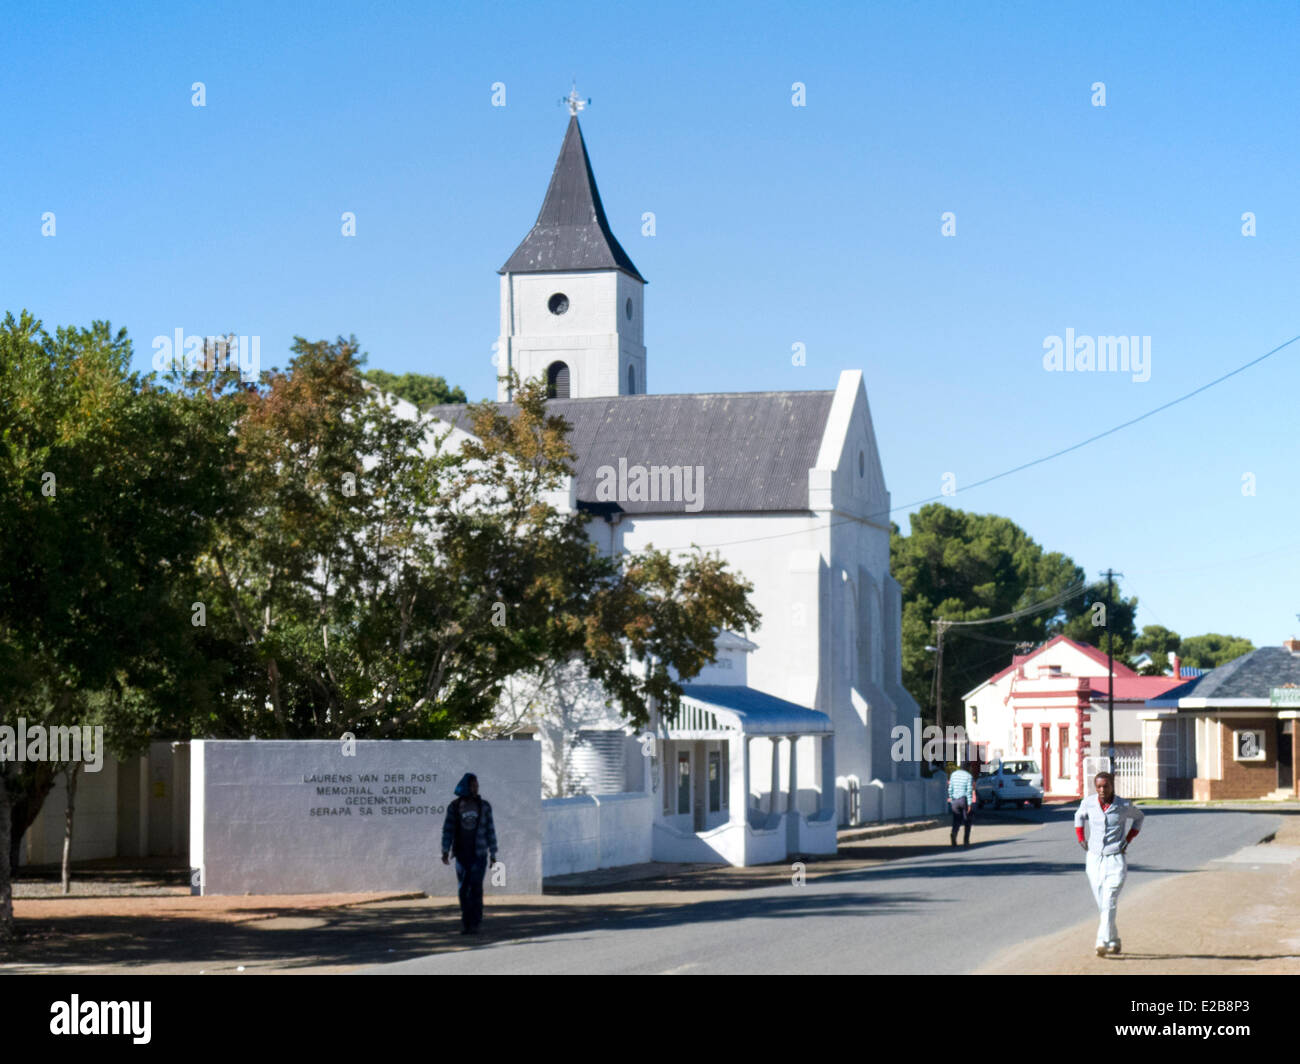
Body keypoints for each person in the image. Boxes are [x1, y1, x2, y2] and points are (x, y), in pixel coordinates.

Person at [1074, 771, 1144, 956]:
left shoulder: (1123, 805)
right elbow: (1078, 817)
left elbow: (1139, 818)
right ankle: (1114, 940)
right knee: (1102, 901)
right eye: (1098, 786)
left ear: (1112, 785)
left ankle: (1101, 941)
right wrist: (1081, 838)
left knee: (1109, 898)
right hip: (1094, 858)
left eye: (1105, 786)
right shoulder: (1088, 803)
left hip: (1115, 858)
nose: (1102, 790)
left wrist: (1128, 839)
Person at [440, 772, 498, 934]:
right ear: (466, 787)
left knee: (476, 887)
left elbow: (490, 830)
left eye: (477, 785)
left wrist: (493, 853)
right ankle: (466, 922)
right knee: (463, 889)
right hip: (461, 854)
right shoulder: (454, 807)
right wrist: (445, 850)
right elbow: (448, 830)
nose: (476, 788)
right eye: (473, 785)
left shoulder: (484, 806)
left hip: (479, 854)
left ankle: (476, 922)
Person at [947, 760, 977, 847]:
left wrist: (952, 800)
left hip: (955, 801)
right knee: (967, 820)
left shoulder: (953, 775)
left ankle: (954, 834)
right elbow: (968, 791)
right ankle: (966, 841)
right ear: (967, 767)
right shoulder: (968, 776)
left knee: (956, 820)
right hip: (963, 800)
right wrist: (969, 804)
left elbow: (950, 789)